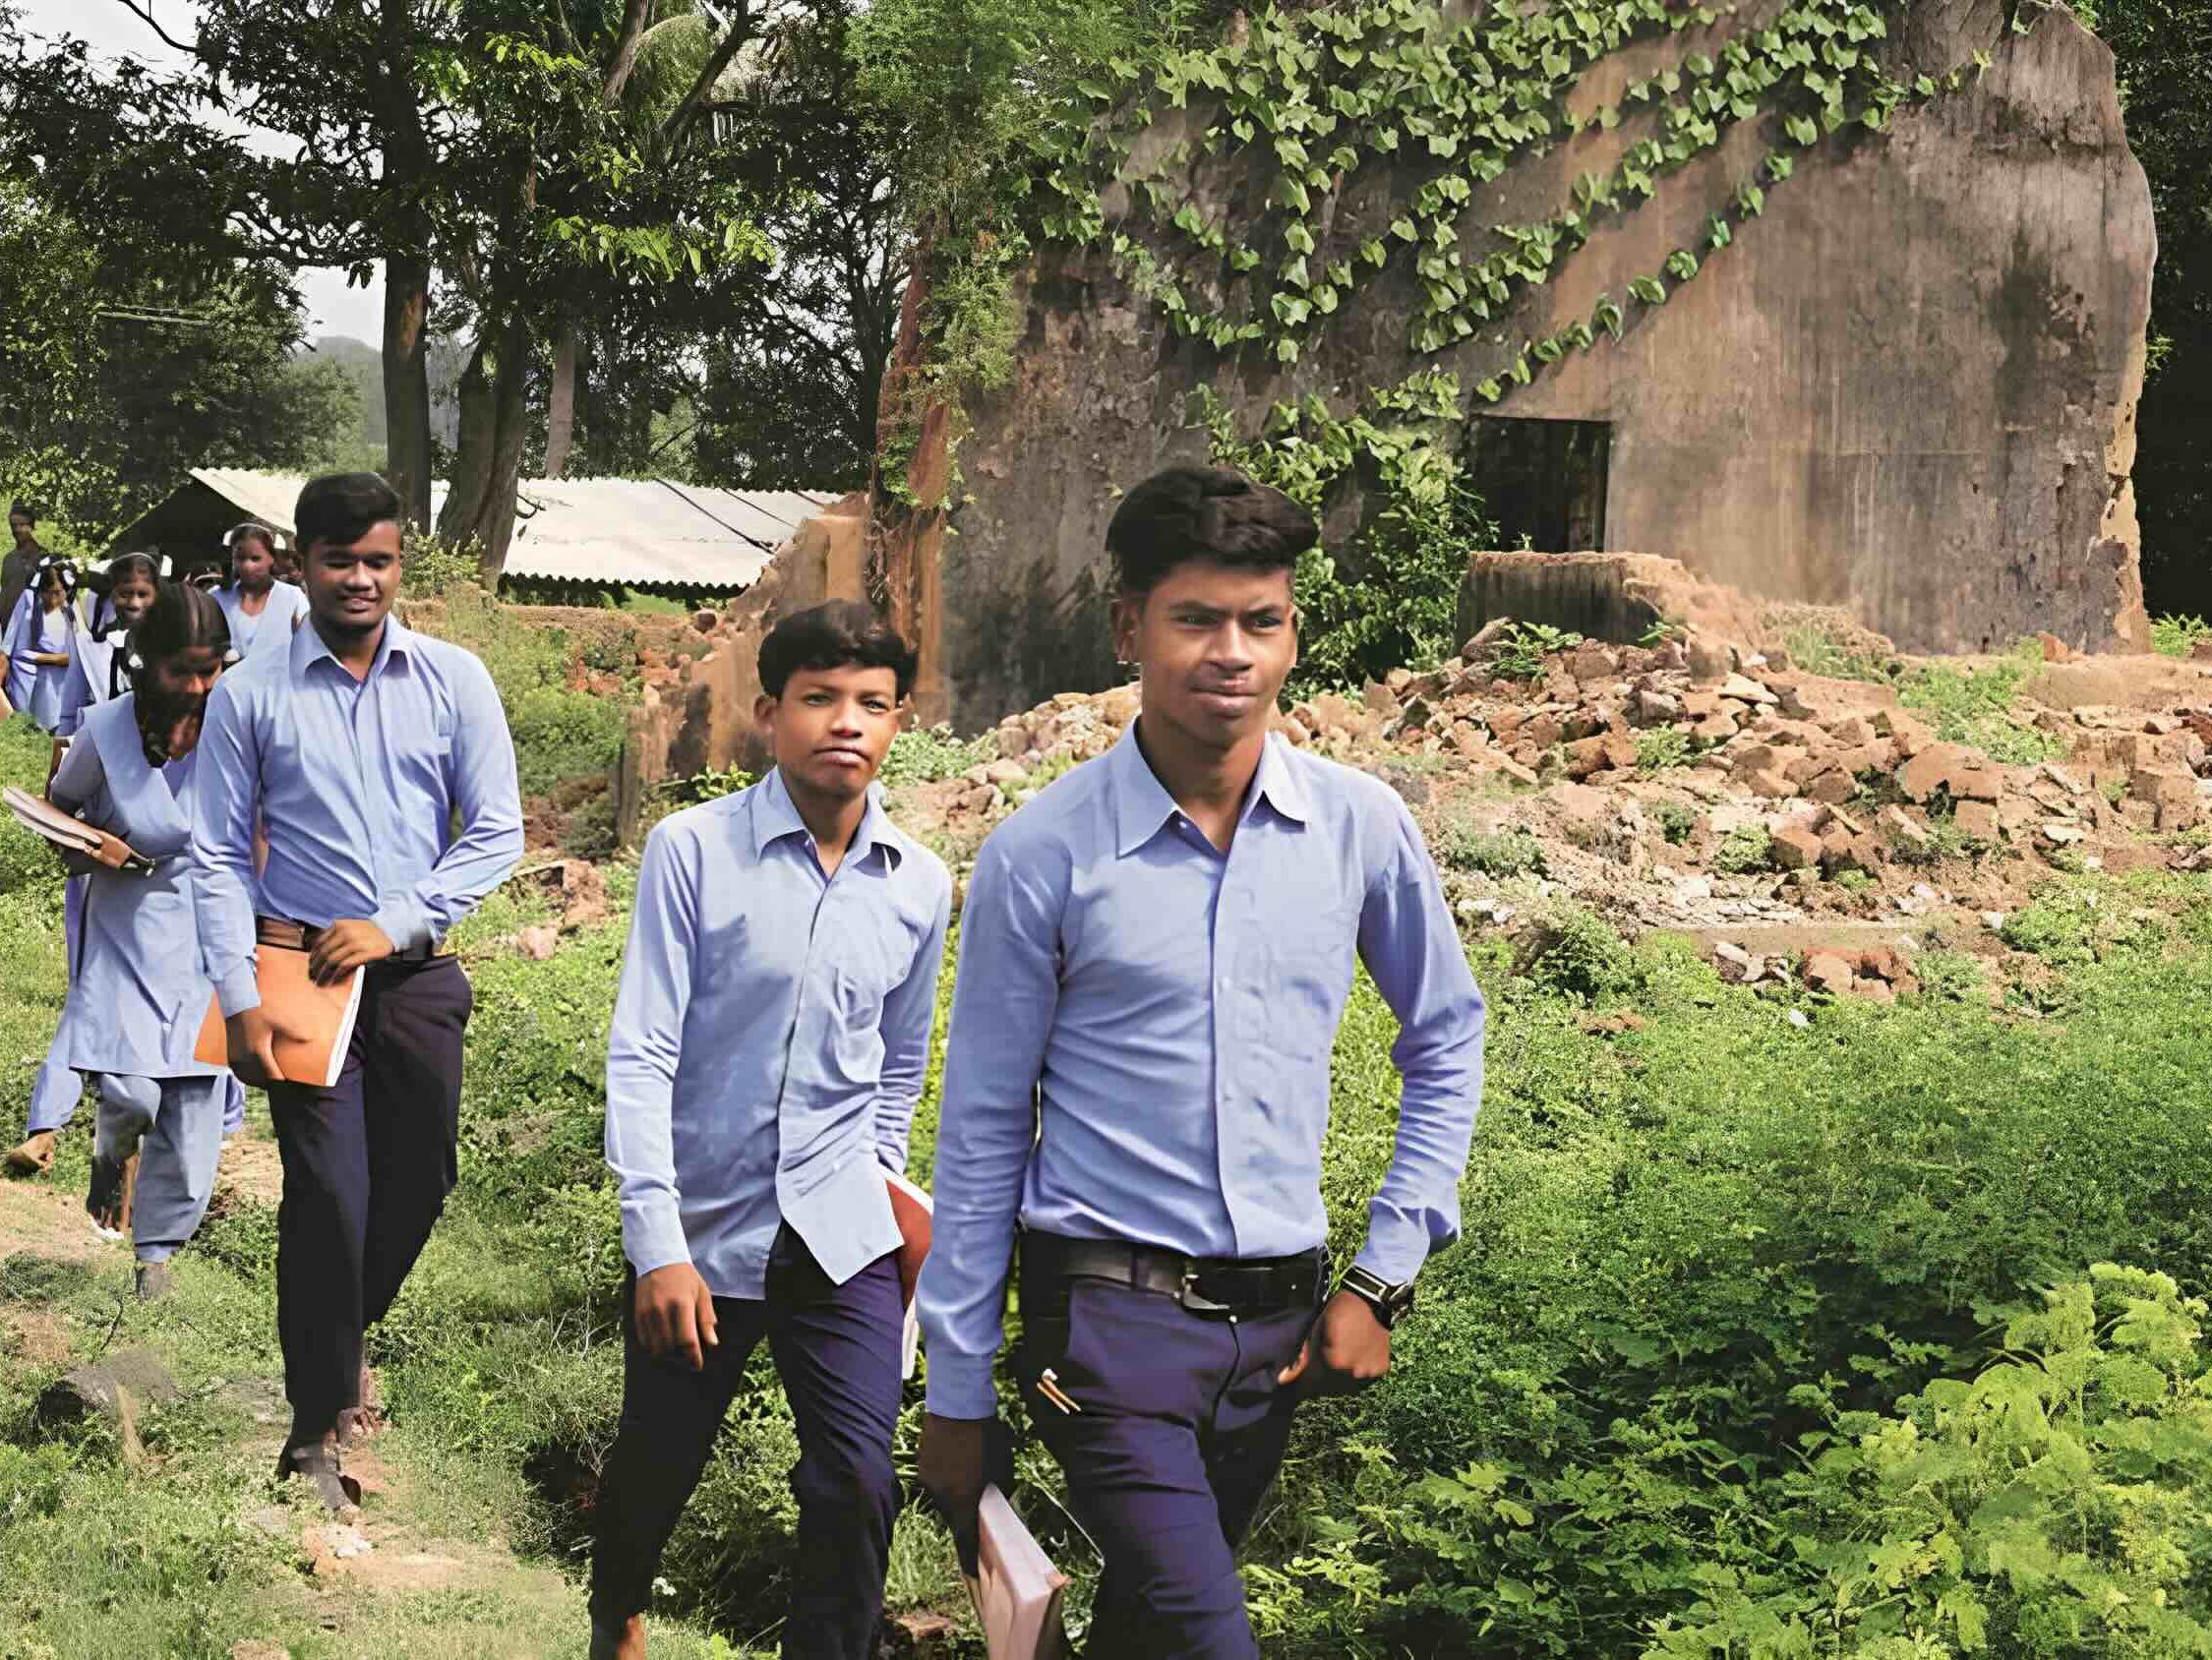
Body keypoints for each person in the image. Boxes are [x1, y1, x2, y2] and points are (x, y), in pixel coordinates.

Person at [915, 465, 1487, 1658]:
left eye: (1259, 621)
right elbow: (978, 1130)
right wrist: (958, 1386)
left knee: (1145, 1632)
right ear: (1129, 627)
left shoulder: (1358, 826)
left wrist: (1381, 1275)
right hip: (1107, 1326)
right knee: (1206, 1634)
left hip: (1278, 1334)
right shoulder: (1043, 854)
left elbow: (1444, 1034)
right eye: (1195, 619)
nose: (1229, 652)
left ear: (1290, 633)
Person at [590, 602, 952, 1660]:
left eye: (872, 703)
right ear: (769, 711)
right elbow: (644, 1047)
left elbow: (898, 1062)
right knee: (655, 1466)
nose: (846, 721)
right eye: (820, 697)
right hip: (701, 1231)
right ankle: (614, 1609)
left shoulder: (917, 884)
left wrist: (879, 1184)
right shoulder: (692, 850)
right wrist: (656, 1243)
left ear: (897, 722)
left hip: (842, 1239)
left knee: (855, 1480)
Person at [190, 471, 523, 1512]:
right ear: (302, 563)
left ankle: (336, 1338)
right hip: (300, 980)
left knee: (418, 1181)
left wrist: (401, 918)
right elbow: (212, 854)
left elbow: (496, 830)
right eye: (340, 561)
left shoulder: (454, 679)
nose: (361, 580)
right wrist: (237, 994)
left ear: (398, 561)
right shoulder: (252, 693)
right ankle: (313, 1428)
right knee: (328, 1195)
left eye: (379, 560)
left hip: (417, 979)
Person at [46, 582, 236, 1298]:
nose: (195, 685)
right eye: (180, 669)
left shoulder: (238, 727)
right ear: (144, 660)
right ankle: (107, 1153)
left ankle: (153, 1257)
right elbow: (58, 812)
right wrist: (93, 849)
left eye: (210, 669)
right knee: (131, 1094)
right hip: (129, 931)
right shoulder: (106, 731)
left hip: (212, 936)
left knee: (191, 1124)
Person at [2, 554, 166, 1179]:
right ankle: (47, 1124)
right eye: (122, 592)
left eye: (142, 592)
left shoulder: (198, 672)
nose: (131, 600)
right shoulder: (92, 656)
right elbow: (66, 741)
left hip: (172, 858)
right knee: (91, 983)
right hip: (101, 839)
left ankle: (208, 1123)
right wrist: (62, 822)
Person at [3, 559, 89, 733]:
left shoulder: (70, 610)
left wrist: (39, 658)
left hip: (61, 685)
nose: (52, 598)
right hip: (33, 684)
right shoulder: (30, 604)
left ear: (66, 590)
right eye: (47, 592)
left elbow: (80, 652)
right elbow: (9, 643)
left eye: (57, 592)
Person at [213, 523, 311, 662]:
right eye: (241, 558)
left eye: (255, 558)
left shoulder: (293, 598)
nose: (247, 566)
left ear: (272, 558)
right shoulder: (216, 599)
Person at [1, 502, 45, 630]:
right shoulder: (8, 559)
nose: (16, 530)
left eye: (22, 525)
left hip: (33, 631)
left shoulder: (43, 558)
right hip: (8, 631)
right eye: (13, 525)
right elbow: (4, 594)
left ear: (31, 526)